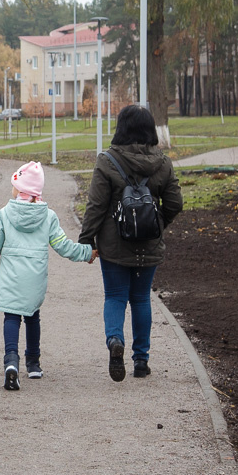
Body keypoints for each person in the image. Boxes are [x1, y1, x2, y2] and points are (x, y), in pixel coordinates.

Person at [78, 104, 183, 382]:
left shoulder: (107, 161)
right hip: (149, 244)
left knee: (115, 297)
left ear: (121, 128)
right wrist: (158, 226)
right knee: (140, 299)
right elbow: (175, 203)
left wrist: (87, 240)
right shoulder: (163, 163)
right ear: (150, 129)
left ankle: (115, 341)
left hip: (114, 246)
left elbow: (96, 206)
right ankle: (141, 360)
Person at [0, 160, 94, 390]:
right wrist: (87, 252)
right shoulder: (48, 217)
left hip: (11, 279)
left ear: (20, 190)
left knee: (11, 317)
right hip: (35, 279)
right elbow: (64, 246)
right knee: (32, 316)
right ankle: (34, 364)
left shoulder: (4, 214)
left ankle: (11, 361)